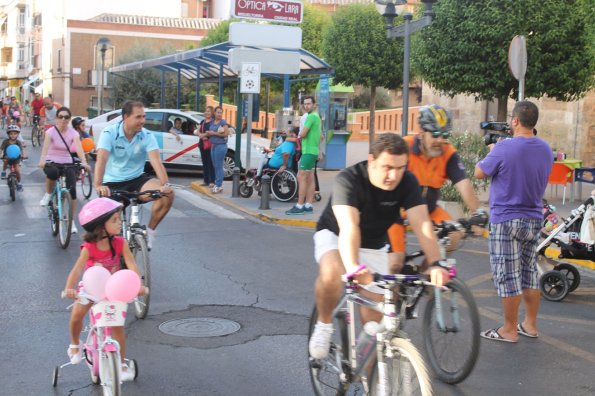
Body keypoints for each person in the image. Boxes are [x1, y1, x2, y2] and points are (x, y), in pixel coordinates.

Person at [309, 133, 451, 359]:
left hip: (374, 244)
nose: (393, 175)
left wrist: (436, 263)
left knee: (375, 332)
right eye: (387, 167)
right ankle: (324, 325)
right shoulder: (349, 179)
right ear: (372, 160)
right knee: (332, 270)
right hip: (336, 235)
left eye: (400, 168)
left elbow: (422, 224)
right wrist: (355, 267)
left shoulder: (408, 182)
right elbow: (349, 227)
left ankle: (371, 383)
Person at [474, 100, 553, 343]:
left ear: (516, 121)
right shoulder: (546, 149)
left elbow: (480, 172)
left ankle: (509, 329)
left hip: (506, 219)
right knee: (529, 273)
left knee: (507, 275)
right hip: (533, 218)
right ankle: (529, 324)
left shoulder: (503, 147)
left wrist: (492, 152)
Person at [62, 197, 148, 382]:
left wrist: (137, 285)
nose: (120, 223)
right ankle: (74, 344)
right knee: (77, 314)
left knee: (117, 325)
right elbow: (77, 269)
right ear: (101, 227)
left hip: (113, 287)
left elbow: (132, 265)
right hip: (92, 286)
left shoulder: (120, 243)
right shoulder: (89, 247)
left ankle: (122, 362)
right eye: (115, 220)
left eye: (119, 219)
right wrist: (69, 288)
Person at [388, 104, 483, 256]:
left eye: (445, 135)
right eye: (435, 134)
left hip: (429, 211)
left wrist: (477, 213)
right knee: (395, 263)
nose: (440, 140)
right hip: (397, 213)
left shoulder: (447, 152)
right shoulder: (404, 148)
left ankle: (430, 273)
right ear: (421, 132)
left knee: (453, 236)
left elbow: (463, 183)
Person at [94, 100, 174, 249]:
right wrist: (98, 184)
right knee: (109, 228)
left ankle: (150, 232)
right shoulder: (110, 133)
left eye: (143, 116)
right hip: (112, 183)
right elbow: (101, 159)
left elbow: (156, 161)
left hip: (137, 179)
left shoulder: (146, 135)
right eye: (138, 117)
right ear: (126, 117)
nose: (143, 121)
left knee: (168, 195)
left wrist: (165, 185)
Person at [38, 107, 90, 233]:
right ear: (57, 118)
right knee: (53, 173)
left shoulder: (74, 133)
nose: (63, 119)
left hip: (67, 162)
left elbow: (78, 148)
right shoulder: (50, 132)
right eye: (60, 116)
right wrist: (42, 160)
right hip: (52, 160)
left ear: (69, 119)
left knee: (72, 192)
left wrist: (84, 162)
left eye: (66, 117)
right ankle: (49, 194)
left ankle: (71, 222)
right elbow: (45, 149)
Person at [286, 96, 322, 215]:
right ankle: (308, 204)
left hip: (307, 151)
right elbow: (321, 136)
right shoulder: (317, 116)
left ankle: (300, 205)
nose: (306, 106)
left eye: (309, 104)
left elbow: (303, 133)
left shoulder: (311, 117)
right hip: (313, 151)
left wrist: (298, 135)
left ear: (314, 104)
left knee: (301, 177)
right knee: (310, 178)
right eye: (305, 104)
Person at [206, 106, 230, 194]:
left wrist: (214, 133)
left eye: (221, 112)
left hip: (221, 146)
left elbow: (226, 133)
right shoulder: (212, 122)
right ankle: (217, 183)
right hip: (213, 145)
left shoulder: (223, 122)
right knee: (215, 165)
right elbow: (210, 132)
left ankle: (218, 185)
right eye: (218, 112)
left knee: (219, 165)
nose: (219, 114)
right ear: (214, 113)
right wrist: (208, 134)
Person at [194, 106, 214, 187]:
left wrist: (204, 135)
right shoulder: (202, 121)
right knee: (204, 163)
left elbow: (212, 132)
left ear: (212, 113)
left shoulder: (213, 122)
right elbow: (197, 131)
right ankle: (206, 181)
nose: (207, 113)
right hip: (202, 145)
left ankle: (212, 181)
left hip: (210, 145)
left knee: (210, 163)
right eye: (206, 111)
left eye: (209, 111)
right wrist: (201, 135)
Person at [0, 125, 25, 190]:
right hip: (7, 156)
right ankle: (4, 171)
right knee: (6, 159)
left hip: (16, 158)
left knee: (17, 171)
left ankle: (19, 183)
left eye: (15, 134)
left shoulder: (18, 142)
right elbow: (1, 149)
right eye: (11, 134)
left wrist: (23, 156)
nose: (13, 135)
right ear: (8, 135)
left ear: (17, 134)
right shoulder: (5, 142)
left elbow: (22, 150)